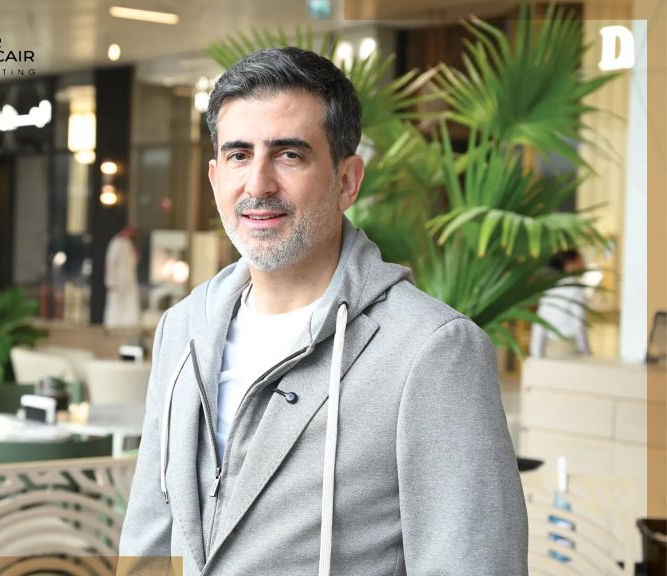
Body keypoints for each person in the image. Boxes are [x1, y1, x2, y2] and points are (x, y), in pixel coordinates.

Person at [119, 47, 527, 576]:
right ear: (215, 177)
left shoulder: (431, 349)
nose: (258, 184)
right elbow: (151, 536)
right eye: (239, 155)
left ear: (347, 181)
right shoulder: (183, 328)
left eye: (289, 154)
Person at [529, 250, 591, 358]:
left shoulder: (550, 288)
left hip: (548, 348)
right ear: (570, 265)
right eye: (580, 261)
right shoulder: (576, 289)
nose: (584, 265)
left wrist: (535, 353)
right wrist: (586, 352)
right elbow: (578, 324)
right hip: (568, 349)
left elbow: (539, 323)